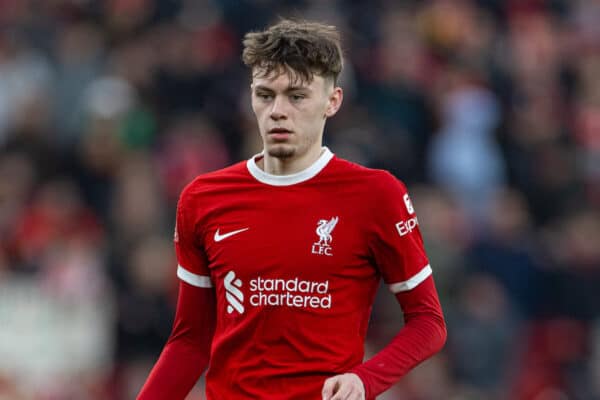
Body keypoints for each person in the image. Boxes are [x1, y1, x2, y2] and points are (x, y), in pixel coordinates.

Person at [137, 19, 446, 400]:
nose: (278, 111)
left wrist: (367, 379)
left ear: (332, 101)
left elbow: (428, 321)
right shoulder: (203, 199)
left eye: (296, 96)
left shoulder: (376, 194)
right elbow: (190, 341)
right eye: (266, 95)